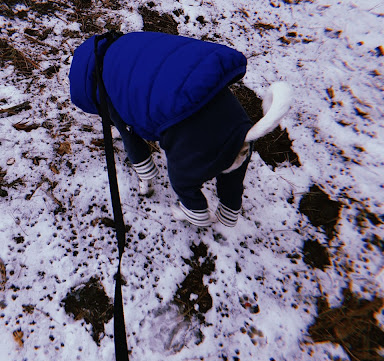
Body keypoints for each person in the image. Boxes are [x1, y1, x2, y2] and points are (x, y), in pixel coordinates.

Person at [69, 31, 291, 228]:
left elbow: (130, 137)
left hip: (194, 133)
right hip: (234, 116)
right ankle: (230, 209)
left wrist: (146, 175)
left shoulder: (108, 88)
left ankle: (196, 212)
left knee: (184, 179)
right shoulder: (129, 47)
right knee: (237, 150)